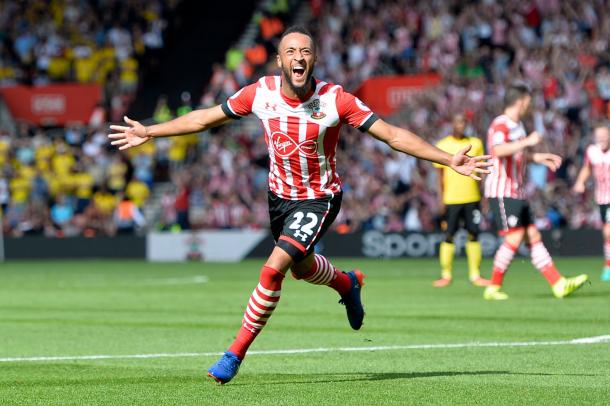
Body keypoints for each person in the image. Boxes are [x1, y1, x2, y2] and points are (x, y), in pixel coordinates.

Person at [108, 26, 491, 384]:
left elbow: (391, 135)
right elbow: (205, 118)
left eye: (305, 51)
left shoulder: (335, 99)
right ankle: (347, 282)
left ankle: (234, 353)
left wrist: (446, 158)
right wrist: (149, 130)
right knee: (303, 269)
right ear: (279, 61)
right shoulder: (260, 93)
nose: (298, 56)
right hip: (279, 199)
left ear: (314, 59)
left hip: (320, 198)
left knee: (274, 269)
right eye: (290, 51)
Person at [482, 83, 588, 300]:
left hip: (516, 190)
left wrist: (537, 157)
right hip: (502, 189)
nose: (530, 105)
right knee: (517, 235)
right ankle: (493, 287)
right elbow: (498, 150)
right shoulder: (501, 124)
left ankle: (558, 283)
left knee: (533, 235)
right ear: (521, 101)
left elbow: (517, 155)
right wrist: (528, 142)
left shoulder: (518, 126)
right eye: (529, 101)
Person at [432, 114, 491, 287]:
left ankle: (475, 275)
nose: (461, 125)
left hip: (472, 198)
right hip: (451, 199)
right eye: (458, 122)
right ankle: (446, 274)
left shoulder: (476, 143)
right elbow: (439, 176)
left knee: (474, 234)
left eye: (464, 122)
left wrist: (485, 196)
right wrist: (440, 199)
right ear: (453, 124)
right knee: (449, 235)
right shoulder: (443, 145)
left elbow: (481, 172)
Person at [573, 124, 610, 281]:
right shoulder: (592, 151)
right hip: (602, 198)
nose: (601, 138)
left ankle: (608, 266)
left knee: (608, 231)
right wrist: (580, 182)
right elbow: (587, 168)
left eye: (604, 135)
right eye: (598, 135)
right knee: (607, 232)